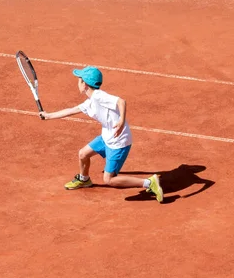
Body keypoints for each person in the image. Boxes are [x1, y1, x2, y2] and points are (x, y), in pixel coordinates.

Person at [39, 66, 164, 203]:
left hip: (119, 142)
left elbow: (121, 101)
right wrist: (48, 116)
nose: (77, 82)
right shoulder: (90, 102)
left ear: (84, 84)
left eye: (79, 79)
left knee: (109, 179)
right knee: (83, 154)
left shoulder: (99, 96)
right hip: (107, 137)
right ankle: (84, 179)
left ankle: (149, 183)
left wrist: (121, 120)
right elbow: (71, 110)